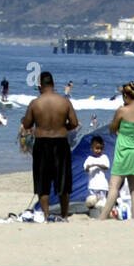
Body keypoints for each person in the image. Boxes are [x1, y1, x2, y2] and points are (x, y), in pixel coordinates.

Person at [21, 71, 80, 219]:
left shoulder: (35, 103)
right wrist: (62, 128)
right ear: (53, 84)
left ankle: (46, 215)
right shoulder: (64, 102)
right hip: (60, 142)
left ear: (40, 86)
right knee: (63, 182)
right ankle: (65, 215)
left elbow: (27, 124)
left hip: (42, 143)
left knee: (43, 182)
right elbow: (74, 123)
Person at [97, 82, 134, 220]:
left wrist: (121, 130)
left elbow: (112, 128)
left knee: (114, 186)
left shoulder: (122, 110)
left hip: (124, 150)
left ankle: (103, 216)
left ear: (125, 96)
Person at [83, 135, 111, 208]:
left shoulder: (104, 157)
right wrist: (89, 166)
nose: (99, 150)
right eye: (97, 148)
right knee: (92, 201)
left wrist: (97, 164)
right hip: (92, 185)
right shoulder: (89, 159)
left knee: (102, 202)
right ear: (92, 148)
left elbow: (106, 166)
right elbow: (86, 168)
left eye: (101, 148)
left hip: (102, 186)